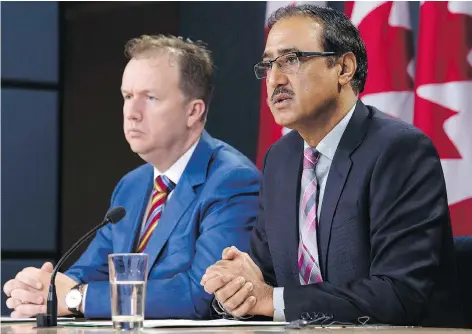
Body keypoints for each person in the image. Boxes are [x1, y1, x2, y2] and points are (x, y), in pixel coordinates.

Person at [201, 4, 465, 327]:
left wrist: (270, 298)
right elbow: (265, 277)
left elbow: (398, 294)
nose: (275, 79)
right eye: (268, 65)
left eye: (291, 60)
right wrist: (238, 288)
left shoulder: (400, 152)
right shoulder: (279, 160)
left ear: (344, 68)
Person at [4, 34, 261, 320]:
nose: (132, 113)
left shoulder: (232, 181)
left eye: (150, 98)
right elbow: (89, 271)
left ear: (193, 111)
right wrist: (43, 288)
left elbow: (201, 295)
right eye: (127, 96)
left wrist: (78, 298)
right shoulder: (132, 185)